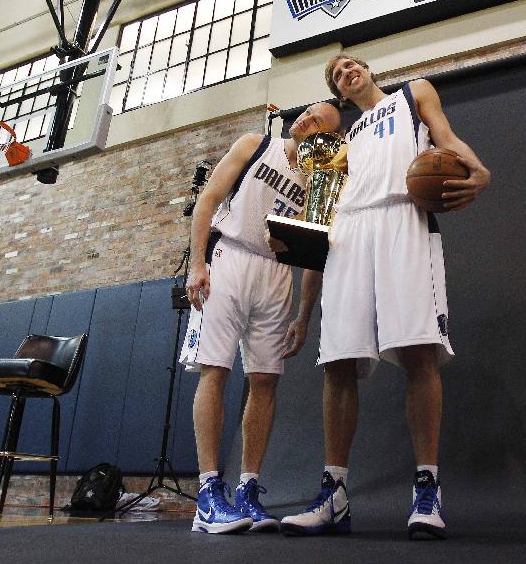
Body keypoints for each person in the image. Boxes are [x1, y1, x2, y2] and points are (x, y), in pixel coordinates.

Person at [278, 55, 490, 539]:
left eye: (351, 64)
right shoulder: (334, 145)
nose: (346, 72)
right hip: (348, 236)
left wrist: (480, 170)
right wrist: (303, 312)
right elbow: (318, 226)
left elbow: (447, 138)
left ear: (368, 70)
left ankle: (426, 491)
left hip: (403, 219)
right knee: (337, 362)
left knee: (419, 353)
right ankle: (333, 496)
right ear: (339, 94)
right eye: (336, 75)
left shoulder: (413, 95)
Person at [180, 101, 341, 534]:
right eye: (307, 114)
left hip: (275, 277)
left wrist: (304, 316)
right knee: (214, 369)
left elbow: (313, 257)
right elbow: (209, 198)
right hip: (228, 257)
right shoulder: (256, 144)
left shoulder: (322, 181)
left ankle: (248, 489)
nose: (307, 121)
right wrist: (197, 264)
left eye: (319, 121)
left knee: (265, 379)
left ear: (328, 137)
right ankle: (209, 493)